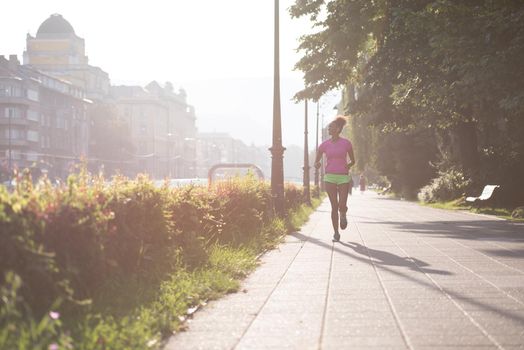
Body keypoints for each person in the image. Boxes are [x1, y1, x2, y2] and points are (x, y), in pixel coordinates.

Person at [314, 116, 355, 242]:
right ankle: (336, 233)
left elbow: (353, 161)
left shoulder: (346, 143)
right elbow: (318, 158)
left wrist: (347, 166)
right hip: (330, 177)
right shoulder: (324, 145)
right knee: (334, 206)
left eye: (330, 127)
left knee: (342, 204)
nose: (328, 129)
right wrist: (317, 163)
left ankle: (343, 213)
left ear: (337, 129)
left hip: (343, 177)